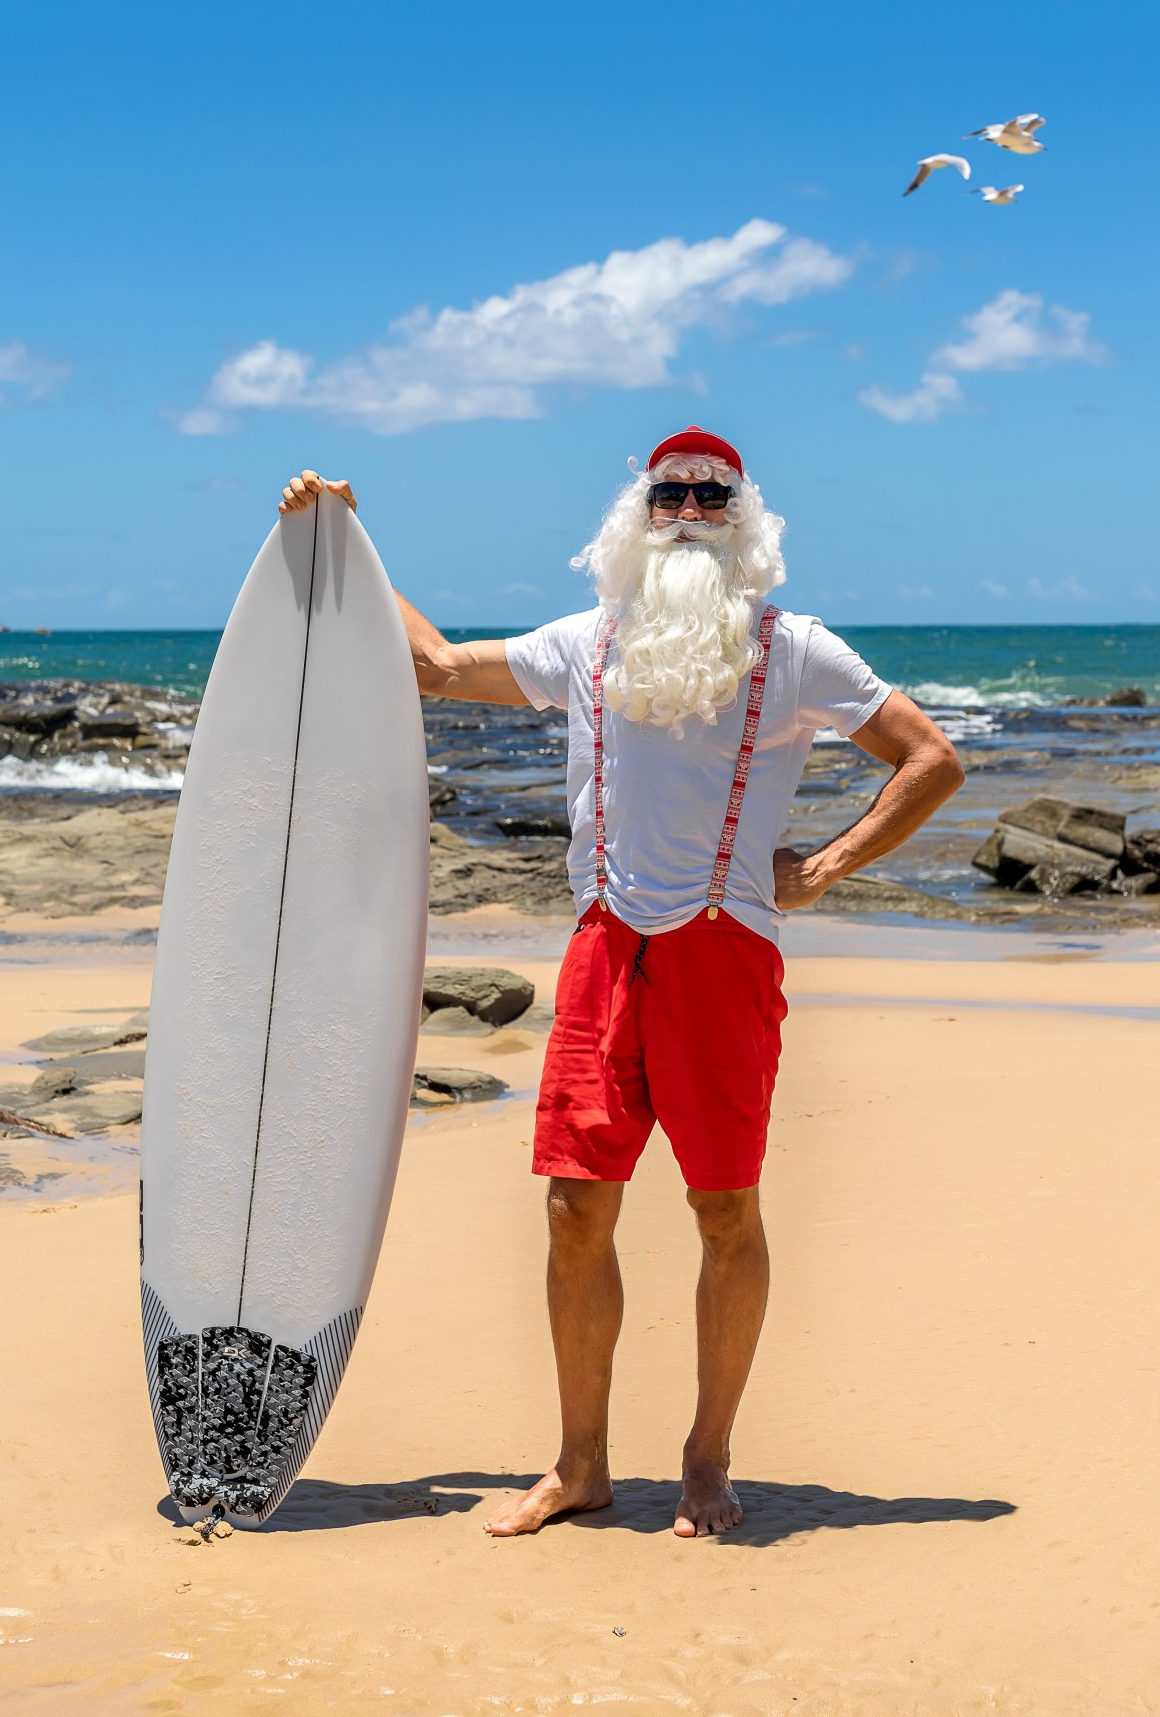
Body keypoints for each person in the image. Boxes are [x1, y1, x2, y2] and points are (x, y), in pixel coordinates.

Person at [279, 428, 964, 1538]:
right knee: (572, 1208)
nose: (688, 509)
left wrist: (826, 865)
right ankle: (580, 1465)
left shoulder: (795, 651)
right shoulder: (585, 641)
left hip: (724, 951)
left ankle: (706, 1462)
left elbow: (931, 754)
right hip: (605, 949)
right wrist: (343, 537)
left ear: (744, 520)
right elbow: (437, 666)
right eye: (669, 493)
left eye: (711, 494)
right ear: (637, 515)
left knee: (724, 1207)